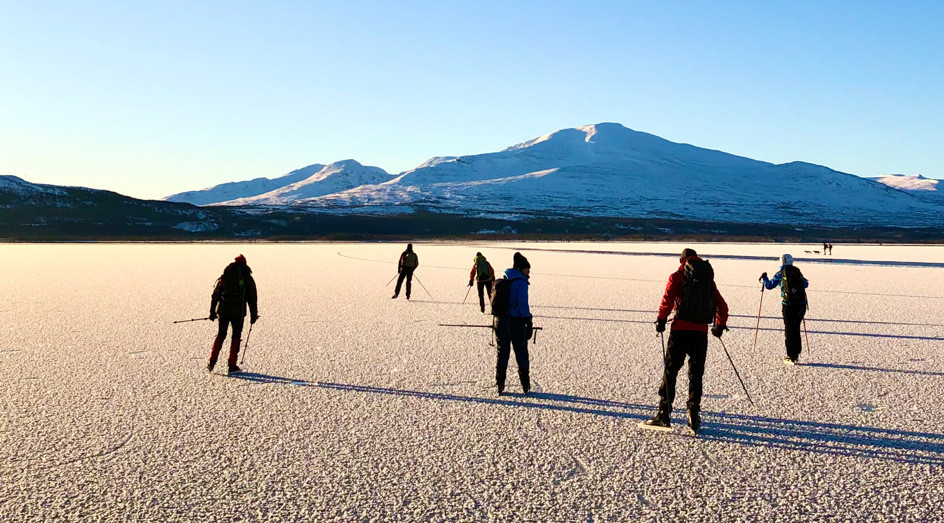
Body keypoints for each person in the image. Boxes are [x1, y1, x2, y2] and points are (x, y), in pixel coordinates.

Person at [644, 248, 728, 433]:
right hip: (701, 332)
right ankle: (693, 413)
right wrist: (720, 326)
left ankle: (664, 414)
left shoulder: (678, 276)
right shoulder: (707, 279)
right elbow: (721, 305)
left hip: (680, 330)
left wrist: (661, 320)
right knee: (696, 374)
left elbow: (667, 299)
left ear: (681, 260)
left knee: (671, 372)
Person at [208, 254, 258, 374]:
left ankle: (211, 361)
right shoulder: (247, 277)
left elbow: (215, 295)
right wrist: (253, 315)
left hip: (223, 311)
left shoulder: (225, 276)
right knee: (235, 336)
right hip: (238, 312)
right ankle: (232, 366)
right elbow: (252, 298)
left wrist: (212, 312)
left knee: (221, 334)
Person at [493, 252, 533, 396]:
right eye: (528, 269)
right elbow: (522, 305)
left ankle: (500, 384)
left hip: (500, 322)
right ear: (521, 269)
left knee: (502, 352)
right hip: (515, 323)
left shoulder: (506, 278)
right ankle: (525, 385)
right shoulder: (521, 282)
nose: (529, 272)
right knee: (521, 353)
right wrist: (528, 321)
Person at [760, 254, 809, 365]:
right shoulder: (797, 272)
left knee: (789, 329)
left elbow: (769, 285)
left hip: (788, 305)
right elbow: (806, 284)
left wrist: (764, 278)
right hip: (801, 305)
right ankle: (796, 352)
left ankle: (791, 356)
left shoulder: (781, 273)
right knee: (796, 327)